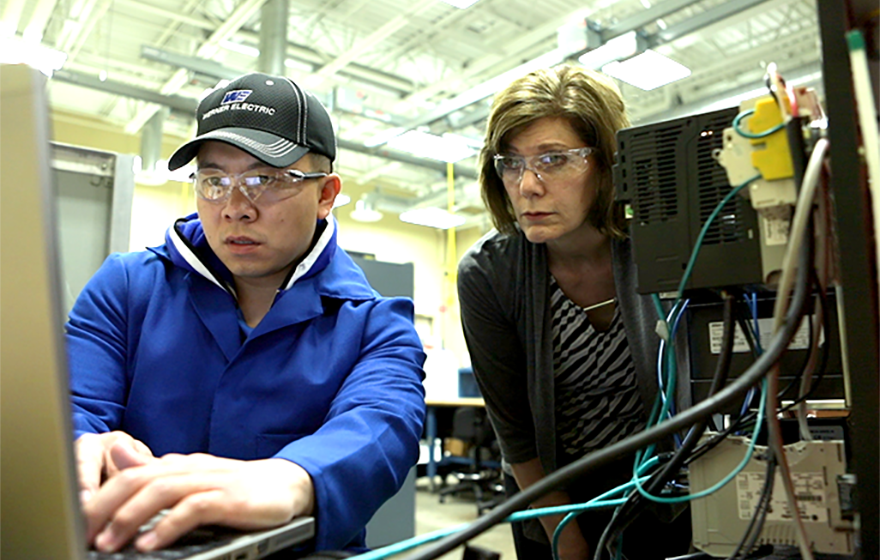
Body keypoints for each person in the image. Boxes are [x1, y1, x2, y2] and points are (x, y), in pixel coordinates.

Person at [68, 72, 427, 555]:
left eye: (265, 180)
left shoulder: (374, 325)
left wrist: (293, 480)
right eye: (215, 181)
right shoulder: (127, 287)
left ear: (326, 194)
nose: (235, 207)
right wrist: (73, 447)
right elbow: (72, 404)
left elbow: (382, 424)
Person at [457, 65, 691, 559]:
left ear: (607, 163)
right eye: (511, 163)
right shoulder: (490, 273)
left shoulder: (666, 247)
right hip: (553, 502)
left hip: (674, 494)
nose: (528, 186)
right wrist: (566, 538)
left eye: (555, 159)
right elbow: (515, 433)